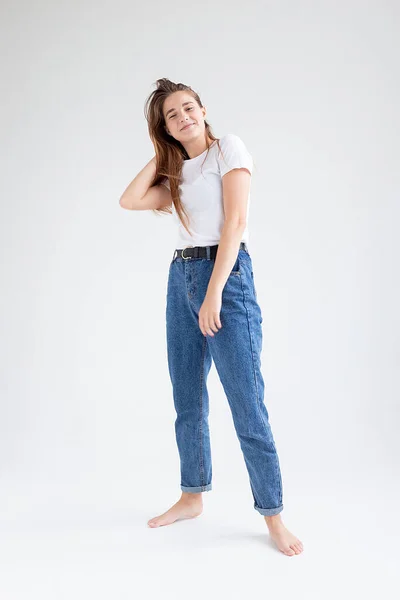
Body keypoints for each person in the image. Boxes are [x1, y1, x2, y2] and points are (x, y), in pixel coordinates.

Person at [119, 79, 303, 556]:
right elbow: (130, 200)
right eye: (171, 117)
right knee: (187, 398)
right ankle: (191, 494)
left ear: (203, 108)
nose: (184, 118)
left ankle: (274, 515)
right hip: (180, 277)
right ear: (165, 129)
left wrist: (214, 293)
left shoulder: (228, 149)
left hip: (225, 279)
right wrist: (163, 157)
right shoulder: (177, 172)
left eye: (188, 108)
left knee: (246, 402)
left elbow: (236, 223)